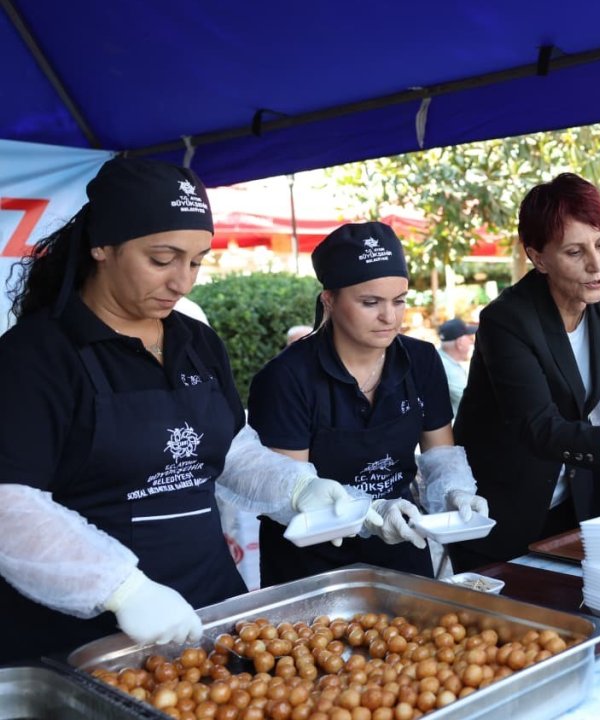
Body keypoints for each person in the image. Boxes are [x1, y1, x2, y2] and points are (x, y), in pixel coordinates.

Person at [0, 157, 357, 662]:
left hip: (213, 611)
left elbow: (230, 450)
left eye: (196, 261)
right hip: (85, 639)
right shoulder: (36, 356)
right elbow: (9, 506)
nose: (183, 282)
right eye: (162, 259)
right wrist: (122, 590)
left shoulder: (196, 342)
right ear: (102, 246)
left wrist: (298, 488)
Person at [448, 173, 600, 571]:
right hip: (497, 510)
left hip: (570, 504)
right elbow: (540, 428)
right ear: (538, 256)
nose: (597, 265)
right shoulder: (507, 320)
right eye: (574, 252)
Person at [247, 222, 488, 586]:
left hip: (402, 541)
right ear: (329, 300)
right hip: (312, 563)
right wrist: (368, 512)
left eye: (399, 300)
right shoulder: (287, 377)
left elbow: (440, 454)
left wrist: (455, 492)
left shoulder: (421, 360)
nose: (389, 317)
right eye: (370, 302)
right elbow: (287, 489)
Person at [436, 317, 477, 416]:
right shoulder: (447, 369)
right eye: (470, 339)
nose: (472, 343)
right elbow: (474, 403)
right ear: (460, 343)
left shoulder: (440, 359)